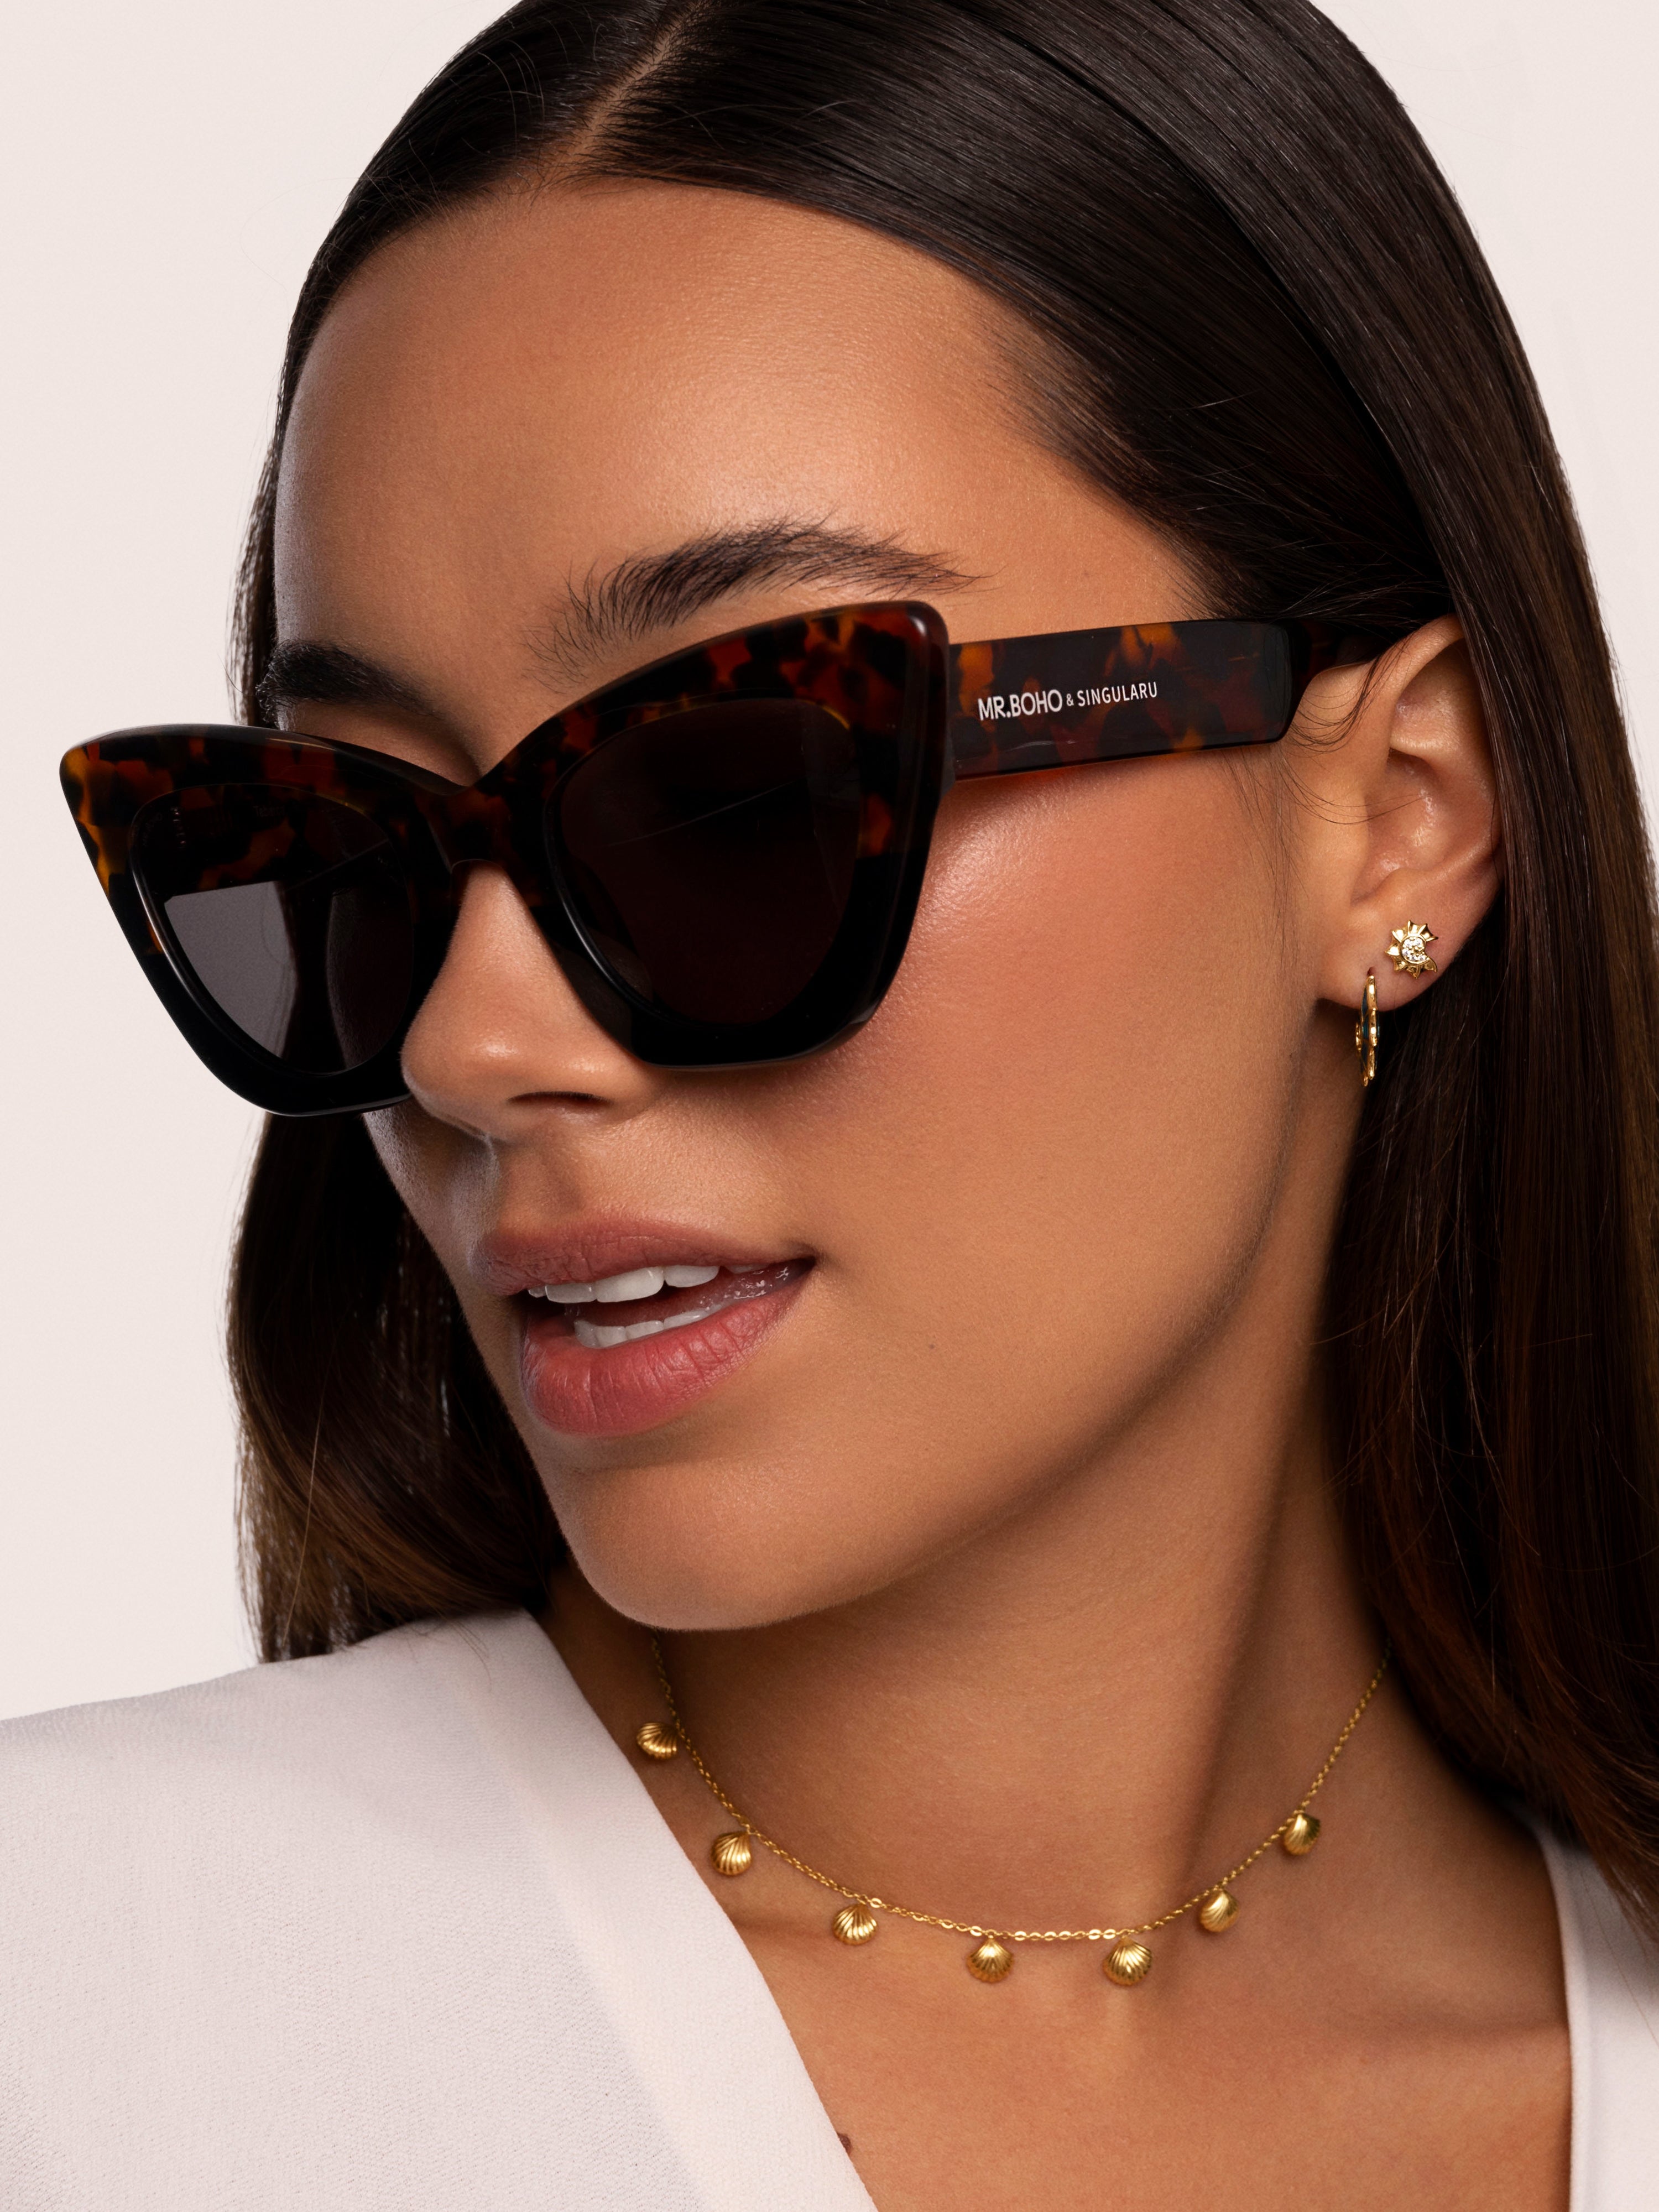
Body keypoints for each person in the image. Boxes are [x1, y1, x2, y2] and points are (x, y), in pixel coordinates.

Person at [11, 1, 1659, 2205]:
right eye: (351, 847)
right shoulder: (73, 2008)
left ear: (1400, 819)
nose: (469, 1045)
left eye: (737, 794)